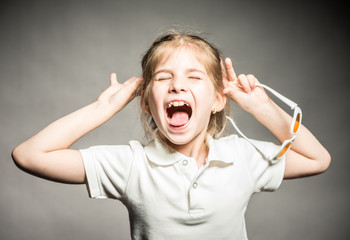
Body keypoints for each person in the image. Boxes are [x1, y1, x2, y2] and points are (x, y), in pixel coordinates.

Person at [12, 30, 331, 239]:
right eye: (164, 78)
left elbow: (318, 159)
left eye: (194, 77)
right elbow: (29, 155)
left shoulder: (243, 157)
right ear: (148, 102)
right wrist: (101, 110)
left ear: (218, 100)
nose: (178, 85)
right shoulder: (131, 164)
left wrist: (264, 109)